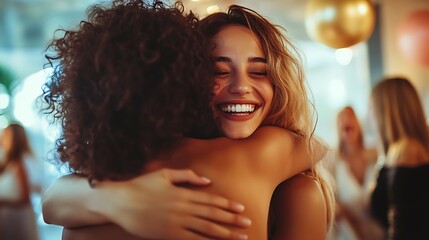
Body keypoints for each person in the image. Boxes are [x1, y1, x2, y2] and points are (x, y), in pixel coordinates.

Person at [41, 1, 334, 239]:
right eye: (218, 71)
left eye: (259, 71)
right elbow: (314, 145)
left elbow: (52, 201)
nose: (241, 86)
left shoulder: (86, 203)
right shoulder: (265, 158)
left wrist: (116, 199)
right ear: (186, 79)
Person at [369, 77, 429, 240]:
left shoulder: (404, 152)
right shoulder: (414, 148)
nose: (370, 119)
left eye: (372, 110)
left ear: (386, 112)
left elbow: (402, 229)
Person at [327, 106, 384, 240]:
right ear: (337, 128)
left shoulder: (376, 154)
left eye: (351, 115)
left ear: (358, 123)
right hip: (349, 235)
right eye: (341, 119)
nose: (346, 120)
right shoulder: (332, 162)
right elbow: (331, 205)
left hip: (380, 234)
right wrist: (355, 227)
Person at [0, 123, 39, 240]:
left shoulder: (20, 164)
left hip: (17, 217)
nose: (2, 137)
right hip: (9, 216)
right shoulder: (7, 163)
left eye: (5, 135)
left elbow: (25, 196)